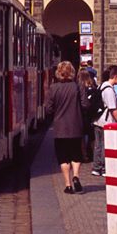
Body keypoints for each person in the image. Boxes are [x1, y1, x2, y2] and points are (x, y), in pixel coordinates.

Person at [45, 61, 89, 194]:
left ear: (59, 72)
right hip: (76, 126)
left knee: (63, 157)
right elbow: (85, 104)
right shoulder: (77, 86)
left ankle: (68, 185)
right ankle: (76, 176)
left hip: (60, 128)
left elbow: (48, 109)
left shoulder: (53, 88)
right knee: (76, 154)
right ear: (72, 72)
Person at [90, 66, 117, 177]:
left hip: (97, 120)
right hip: (106, 121)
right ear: (115, 77)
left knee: (98, 145)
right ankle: (105, 168)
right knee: (106, 145)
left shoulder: (101, 86)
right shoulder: (109, 89)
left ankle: (96, 167)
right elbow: (112, 108)